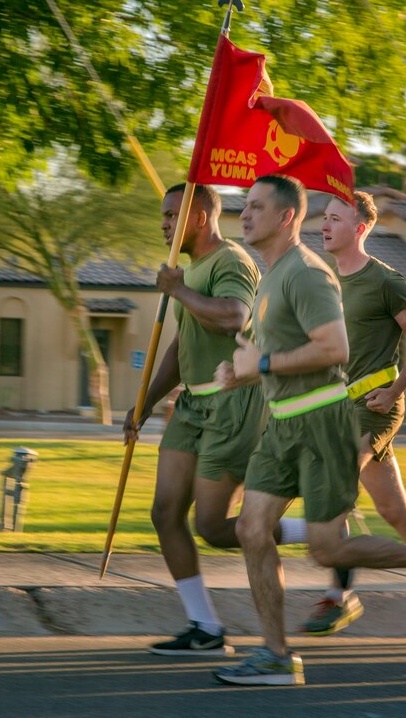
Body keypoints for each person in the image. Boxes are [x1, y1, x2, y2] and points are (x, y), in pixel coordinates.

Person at [212, 175, 406, 686]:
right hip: (283, 423)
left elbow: (336, 350)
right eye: (243, 206)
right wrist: (231, 375)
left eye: (255, 206)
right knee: (252, 528)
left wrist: (395, 390)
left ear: (286, 216)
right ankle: (274, 654)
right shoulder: (271, 278)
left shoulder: (313, 275)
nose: (244, 215)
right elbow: (261, 357)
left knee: (327, 547)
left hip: (330, 422)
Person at [288, 191, 406, 641]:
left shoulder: (387, 281)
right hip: (334, 408)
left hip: (375, 406)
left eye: (335, 219)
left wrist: (395, 390)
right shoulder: (321, 279)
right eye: (324, 218)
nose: (324, 226)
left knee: (333, 492)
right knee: (395, 510)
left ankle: (340, 598)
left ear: (360, 228)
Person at [123, 183, 269, 657]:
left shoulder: (232, 261)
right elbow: (180, 346)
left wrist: (180, 289)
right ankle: (204, 627)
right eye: (163, 215)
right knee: (165, 513)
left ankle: (321, 530)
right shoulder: (189, 269)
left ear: (200, 218)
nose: (163, 224)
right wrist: (144, 403)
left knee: (213, 526)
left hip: (232, 403)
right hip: (190, 406)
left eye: (171, 215)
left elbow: (234, 317)